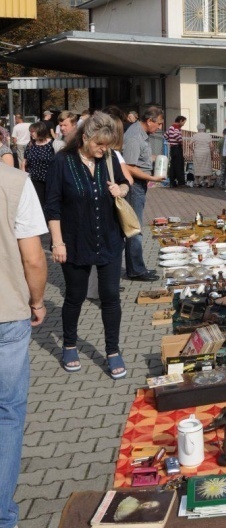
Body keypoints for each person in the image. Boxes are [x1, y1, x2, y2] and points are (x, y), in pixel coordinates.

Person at [45, 112, 130, 378]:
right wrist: (57, 243)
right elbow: (52, 206)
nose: (103, 150)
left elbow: (127, 182)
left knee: (110, 297)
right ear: (85, 138)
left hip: (109, 239)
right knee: (75, 296)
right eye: (99, 145)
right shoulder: (62, 161)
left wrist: (121, 190)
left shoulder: (109, 158)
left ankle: (113, 351)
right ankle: (69, 344)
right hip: (74, 241)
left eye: (108, 145)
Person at [0, 161, 48, 528]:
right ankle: (1, 522)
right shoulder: (14, 183)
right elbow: (33, 258)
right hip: (7, 311)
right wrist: (37, 300)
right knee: (8, 414)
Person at [122, 105, 165, 281]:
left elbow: (139, 159)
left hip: (140, 185)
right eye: (159, 123)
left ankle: (136, 267)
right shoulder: (134, 136)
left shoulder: (141, 134)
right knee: (135, 229)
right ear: (149, 121)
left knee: (136, 228)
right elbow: (129, 167)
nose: (160, 127)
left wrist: (155, 159)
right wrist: (152, 178)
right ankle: (137, 271)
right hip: (134, 186)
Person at [22, 121, 55, 208]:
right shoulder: (30, 145)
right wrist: (23, 175)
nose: (31, 134)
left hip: (49, 180)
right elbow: (24, 161)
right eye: (30, 132)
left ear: (40, 131)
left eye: (33, 131)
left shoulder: (52, 144)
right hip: (34, 180)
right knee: (37, 205)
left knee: (48, 204)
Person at [165, 115, 187, 187]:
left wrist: (170, 140)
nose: (184, 124)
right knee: (179, 165)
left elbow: (165, 135)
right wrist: (180, 141)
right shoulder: (176, 128)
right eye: (183, 122)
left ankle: (172, 181)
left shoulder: (170, 127)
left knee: (173, 165)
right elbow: (177, 136)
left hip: (173, 148)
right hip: (177, 147)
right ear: (180, 121)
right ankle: (181, 182)